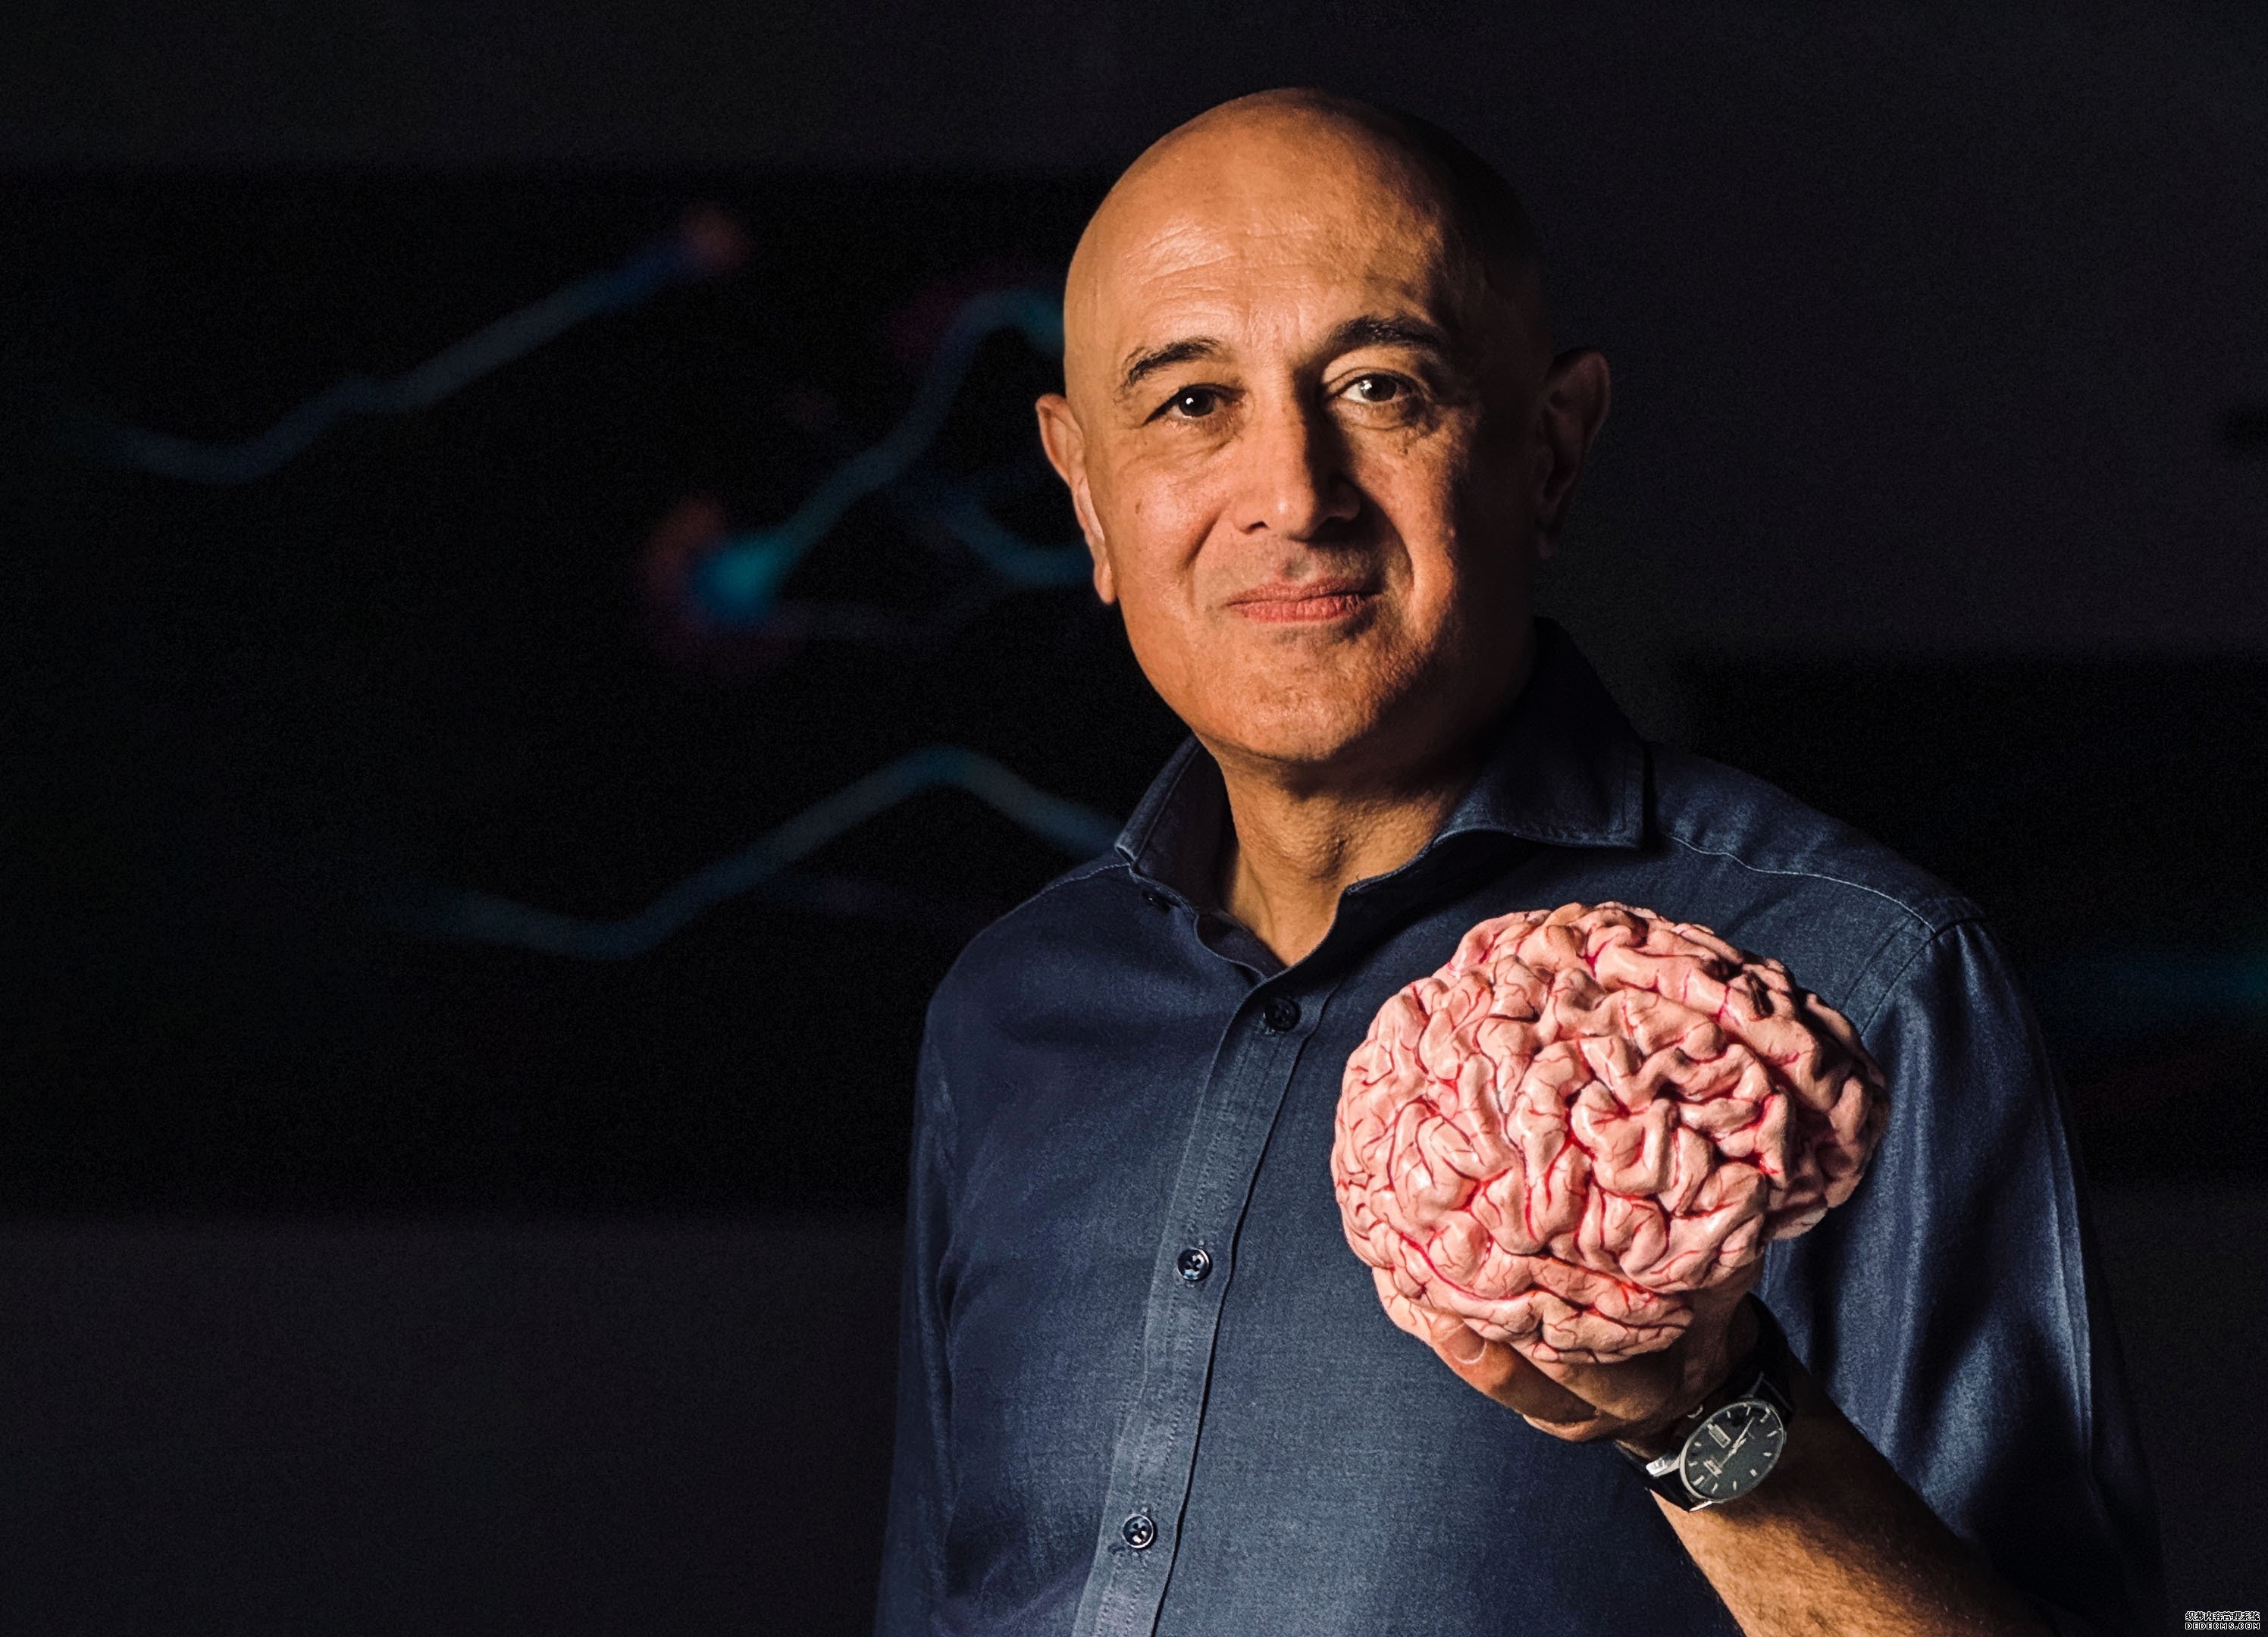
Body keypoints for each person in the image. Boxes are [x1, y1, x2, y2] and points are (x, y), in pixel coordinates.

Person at [874, 89, 2164, 1636]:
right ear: (1087, 494)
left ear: (1551, 450)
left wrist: (1704, 1417)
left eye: (1378, 386)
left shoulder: (1861, 978)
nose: (1292, 493)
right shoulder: (1012, 1012)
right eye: (1192, 403)